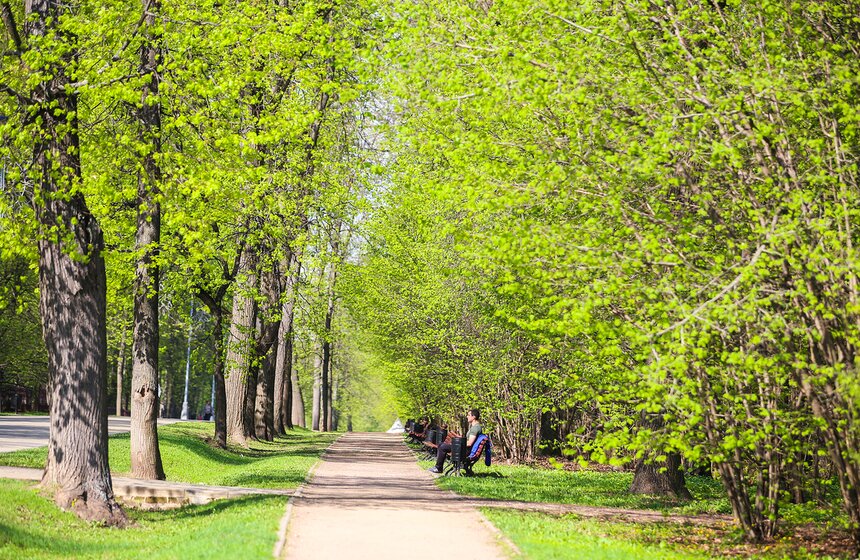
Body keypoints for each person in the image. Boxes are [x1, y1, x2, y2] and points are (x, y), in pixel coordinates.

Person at [429, 408, 482, 474]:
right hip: (463, 449)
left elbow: (469, 443)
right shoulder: (475, 427)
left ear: (474, 417)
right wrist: (460, 439)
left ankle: (438, 468)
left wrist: (456, 444)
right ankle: (438, 467)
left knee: (442, 446)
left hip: (464, 451)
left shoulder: (475, 428)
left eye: (469, 415)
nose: (467, 417)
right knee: (441, 445)